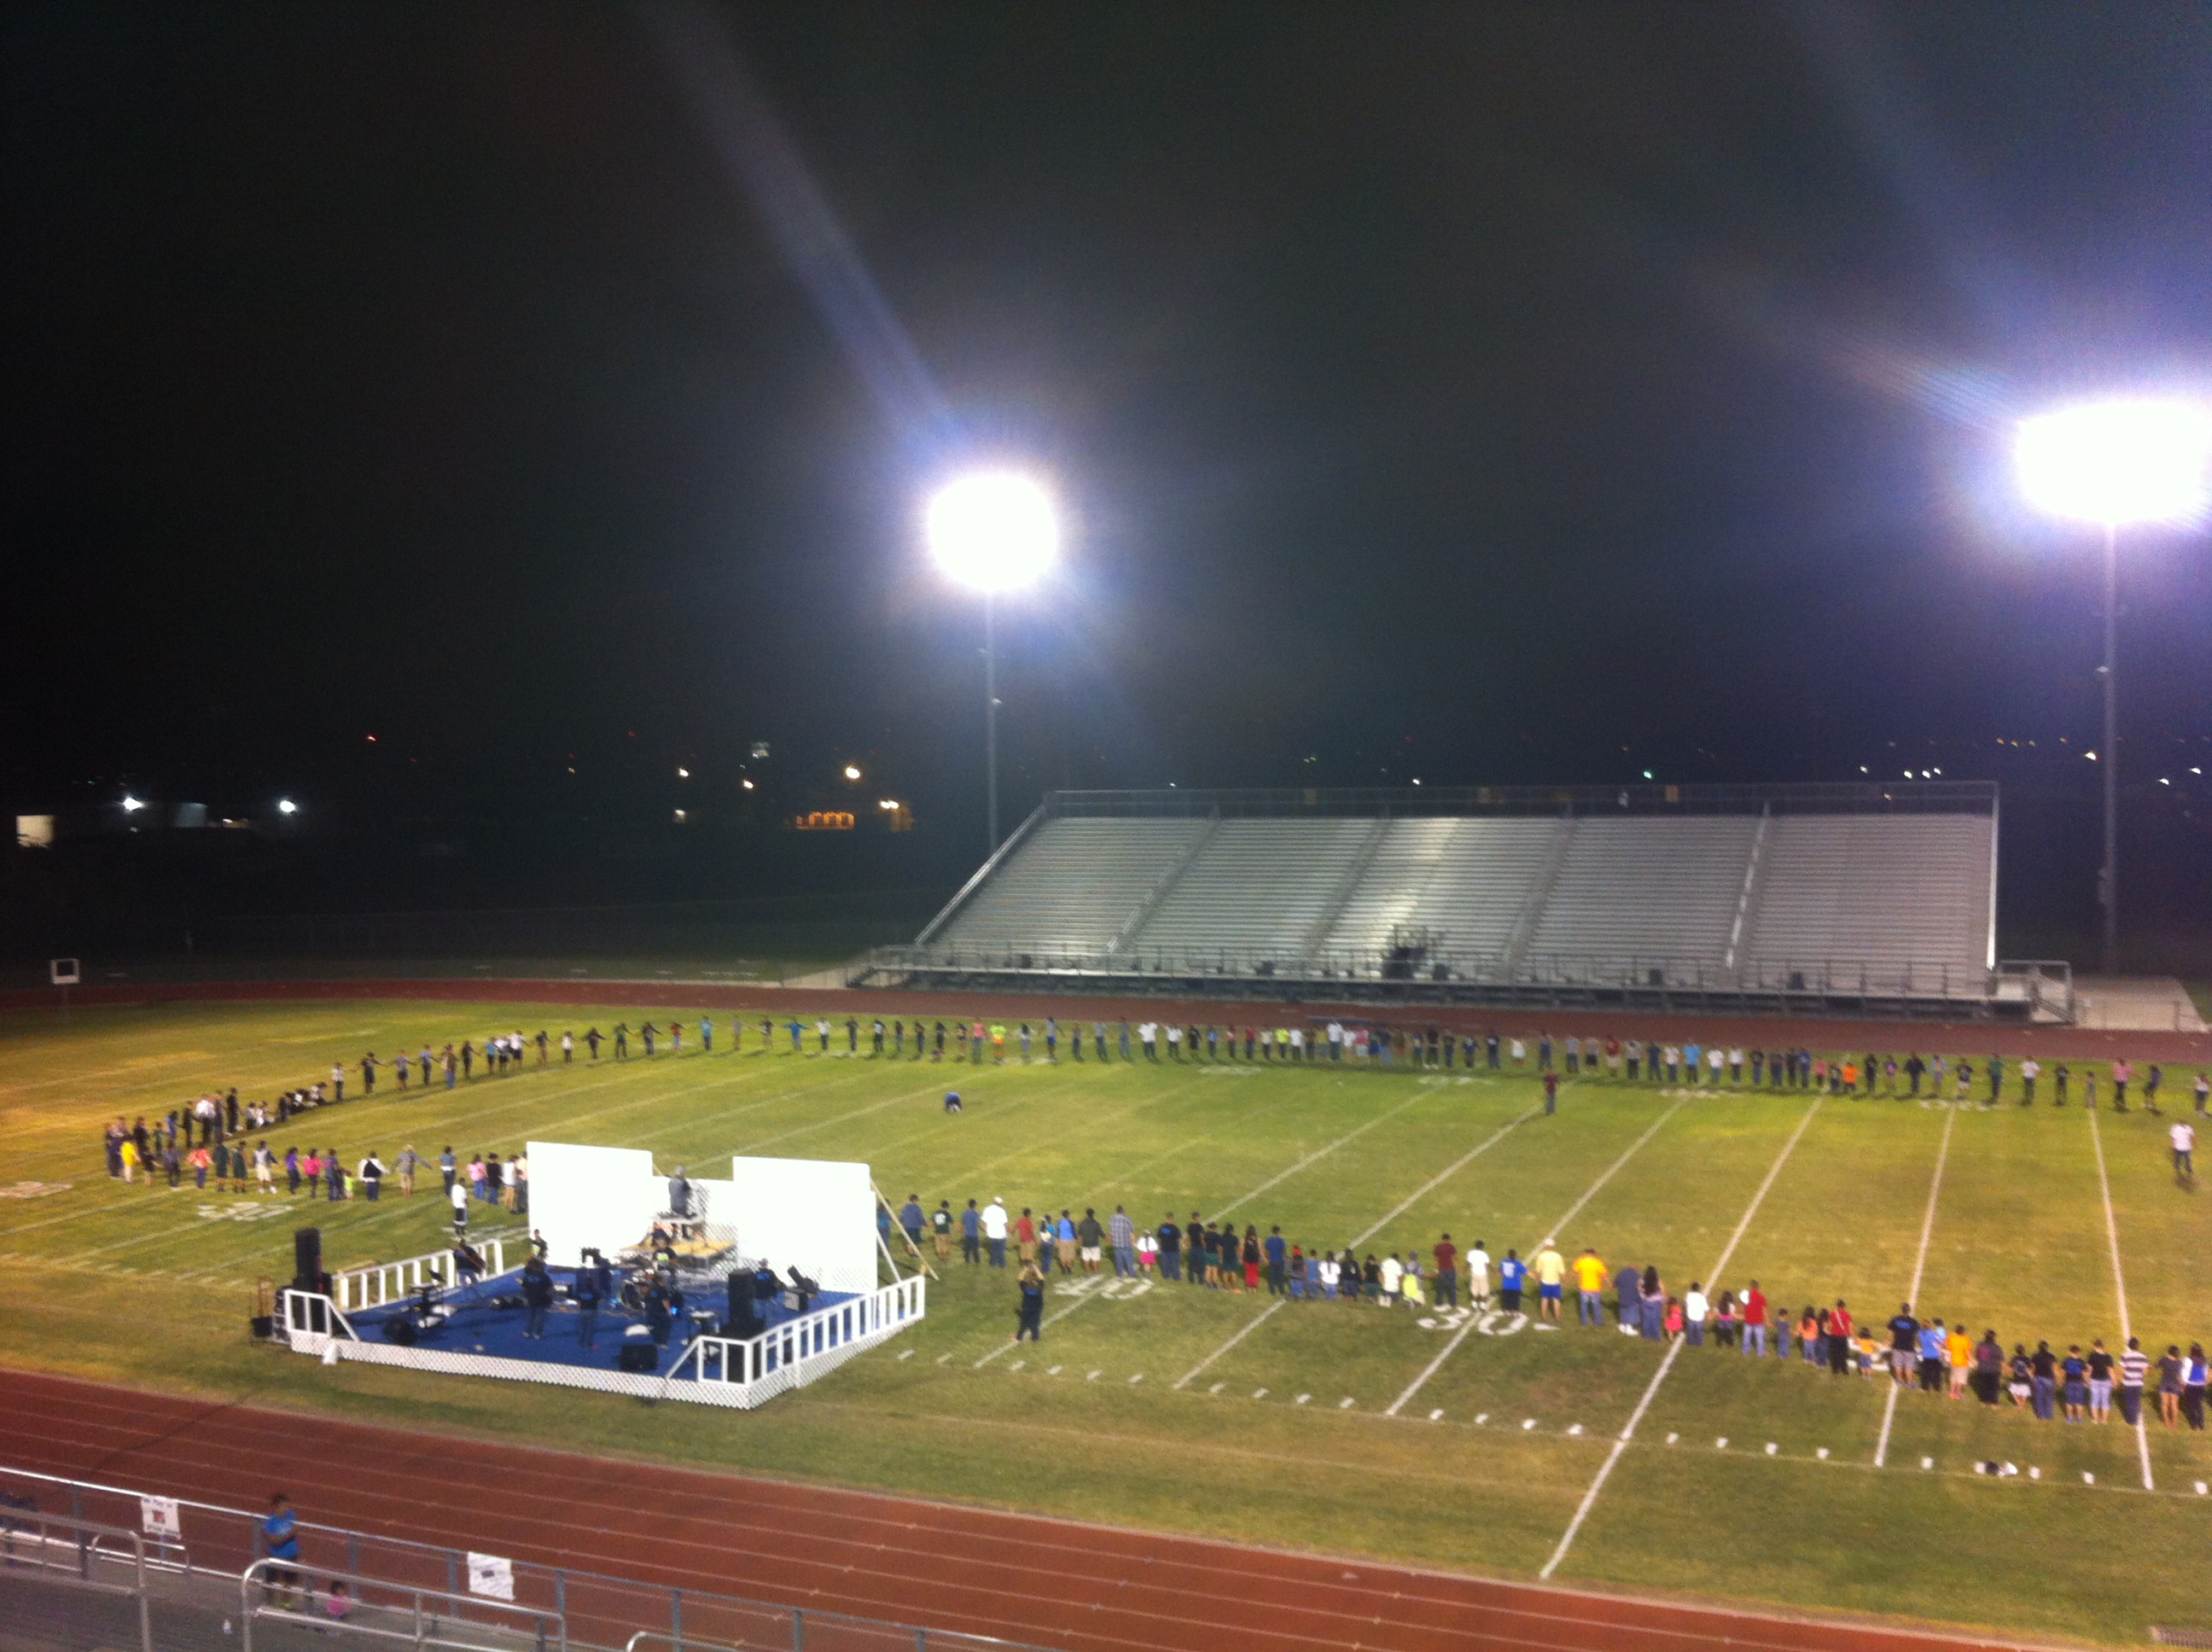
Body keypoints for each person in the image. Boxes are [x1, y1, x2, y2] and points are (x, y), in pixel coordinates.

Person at [263, 1495, 302, 1609]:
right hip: (275, 1555)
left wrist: (289, 1535)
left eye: (287, 1505)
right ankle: (270, 1603)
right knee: (270, 1581)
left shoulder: (291, 1515)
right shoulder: (271, 1522)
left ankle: (285, 1604)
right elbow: (273, 1541)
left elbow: (297, 1527)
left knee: (289, 1581)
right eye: (283, 1506)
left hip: (291, 1554)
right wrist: (290, 1534)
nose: (286, 1508)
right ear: (275, 1507)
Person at [521, 1255, 555, 1340]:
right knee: (539, 1316)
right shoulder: (544, 1276)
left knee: (531, 1315)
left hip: (531, 1298)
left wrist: (526, 1296)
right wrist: (551, 1299)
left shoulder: (527, 1276)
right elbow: (550, 1289)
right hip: (541, 1298)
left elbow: (524, 1288)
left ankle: (527, 1332)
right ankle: (537, 1334)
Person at [1532, 1239, 1565, 1322]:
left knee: (1544, 1299)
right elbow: (1561, 1270)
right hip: (1555, 1281)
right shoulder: (1558, 1256)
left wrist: (1536, 1279)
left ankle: (1543, 1316)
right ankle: (1557, 1317)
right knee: (1556, 1299)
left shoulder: (1541, 1256)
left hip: (1545, 1281)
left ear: (1546, 1246)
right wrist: (1565, 1280)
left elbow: (1538, 1270)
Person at [1887, 1303, 1919, 1385]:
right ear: (1909, 1311)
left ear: (1902, 1310)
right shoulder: (1914, 1322)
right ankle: (1909, 1382)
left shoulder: (1895, 1320)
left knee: (1898, 1365)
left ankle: (1899, 1380)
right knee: (1909, 1367)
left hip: (1897, 1346)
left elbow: (1890, 1331)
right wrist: (1919, 1344)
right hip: (1909, 1347)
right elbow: (1917, 1335)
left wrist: (1888, 1340)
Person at [1013, 1265, 1045, 1342]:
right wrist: (1037, 1270)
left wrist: (1025, 1269)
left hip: (1027, 1308)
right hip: (1037, 1308)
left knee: (1024, 1323)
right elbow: (1041, 1279)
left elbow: (1019, 1278)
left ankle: (1019, 1337)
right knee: (1035, 1323)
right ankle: (1035, 1338)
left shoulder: (1026, 1289)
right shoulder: (1039, 1289)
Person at [981, 1197, 1008, 1268]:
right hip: (1001, 1233)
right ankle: (1002, 1264)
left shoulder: (987, 1209)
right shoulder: (1002, 1211)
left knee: (993, 1249)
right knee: (1001, 1250)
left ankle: (993, 1263)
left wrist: (985, 1230)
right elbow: (1005, 1223)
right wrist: (1008, 1231)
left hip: (991, 1233)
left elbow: (984, 1221)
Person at [1498, 1248, 1524, 1314]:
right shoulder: (1518, 1263)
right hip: (1516, 1285)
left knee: (1507, 1298)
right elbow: (1525, 1271)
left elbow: (1500, 1272)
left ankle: (1507, 1310)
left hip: (1506, 1284)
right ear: (1515, 1255)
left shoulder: (1503, 1262)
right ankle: (1515, 1311)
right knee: (1515, 1300)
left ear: (1508, 1255)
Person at [2173, 1117, 2196, 1182]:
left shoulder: (2189, 1128)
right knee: (2179, 1158)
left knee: (2188, 1159)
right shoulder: (2176, 1129)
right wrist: (2174, 1144)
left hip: (2187, 1147)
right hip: (2179, 1147)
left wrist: (2194, 1142)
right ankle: (2178, 1166)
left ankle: (2189, 1170)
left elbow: (2192, 1136)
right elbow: (2174, 1137)